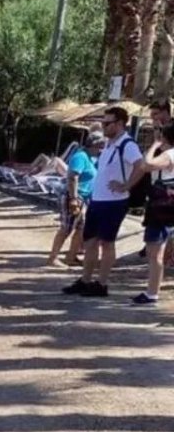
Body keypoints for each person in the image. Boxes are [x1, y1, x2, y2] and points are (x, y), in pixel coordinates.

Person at [63, 107, 144, 297]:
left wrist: (126, 185)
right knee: (90, 241)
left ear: (120, 124)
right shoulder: (109, 144)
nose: (103, 126)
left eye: (107, 123)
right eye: (103, 122)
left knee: (107, 243)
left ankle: (102, 284)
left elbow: (141, 166)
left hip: (114, 202)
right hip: (98, 199)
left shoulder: (127, 145)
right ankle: (85, 280)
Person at [129, 123, 174, 304]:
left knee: (154, 252)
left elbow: (146, 165)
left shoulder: (169, 154)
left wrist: (155, 145)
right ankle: (152, 291)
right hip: (168, 208)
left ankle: (152, 293)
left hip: (161, 209)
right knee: (159, 252)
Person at [47, 133, 104, 267]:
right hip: (74, 196)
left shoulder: (92, 158)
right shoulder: (80, 157)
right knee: (66, 228)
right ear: (93, 145)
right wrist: (73, 199)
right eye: (101, 146)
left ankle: (71, 257)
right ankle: (53, 257)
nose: (102, 149)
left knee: (81, 228)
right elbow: (73, 177)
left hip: (85, 198)